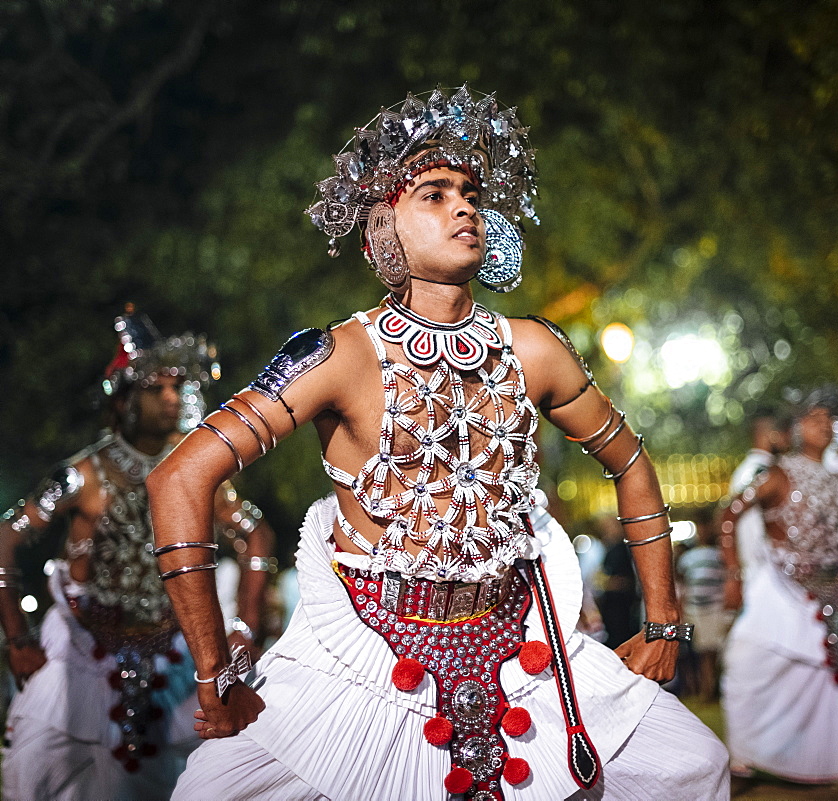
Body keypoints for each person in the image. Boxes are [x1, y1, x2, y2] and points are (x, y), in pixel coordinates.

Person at [149, 86, 729, 800]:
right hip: (365, 656)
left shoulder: (536, 348)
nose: (464, 206)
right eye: (434, 192)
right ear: (385, 227)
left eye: (470, 193)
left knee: (694, 764)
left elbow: (631, 463)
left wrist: (664, 620)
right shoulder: (337, 355)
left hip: (524, 645)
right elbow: (179, 479)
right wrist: (214, 675)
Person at [0, 308, 275, 801]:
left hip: (171, 657)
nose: (171, 399)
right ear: (124, 397)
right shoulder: (82, 474)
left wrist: (246, 626)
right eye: (155, 389)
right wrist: (17, 640)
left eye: (176, 388)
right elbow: (5, 538)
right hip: (79, 653)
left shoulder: (196, 471)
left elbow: (256, 535)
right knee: (34, 775)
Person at [719, 388, 838, 783]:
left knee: (823, 679)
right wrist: (734, 574)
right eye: (813, 418)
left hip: (832, 590)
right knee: (747, 661)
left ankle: (817, 763)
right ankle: (745, 754)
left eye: (827, 420)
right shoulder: (777, 474)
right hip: (779, 588)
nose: (822, 425)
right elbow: (729, 514)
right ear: (797, 427)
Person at [727, 407, 790, 583]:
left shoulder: (750, 468)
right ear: (773, 434)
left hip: (762, 572)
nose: (789, 438)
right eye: (785, 431)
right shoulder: (761, 472)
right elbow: (728, 517)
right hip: (764, 574)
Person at [675, 507, 729, 702]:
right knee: (702, 652)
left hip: (716, 607)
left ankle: (711, 688)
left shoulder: (720, 553)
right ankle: (706, 689)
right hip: (696, 609)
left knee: (715, 651)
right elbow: (682, 585)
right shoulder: (688, 557)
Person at [592, 514, 641, 649]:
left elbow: (625, 581)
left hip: (621, 608)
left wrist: (604, 583)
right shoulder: (610, 548)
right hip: (613, 608)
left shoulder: (620, 549)